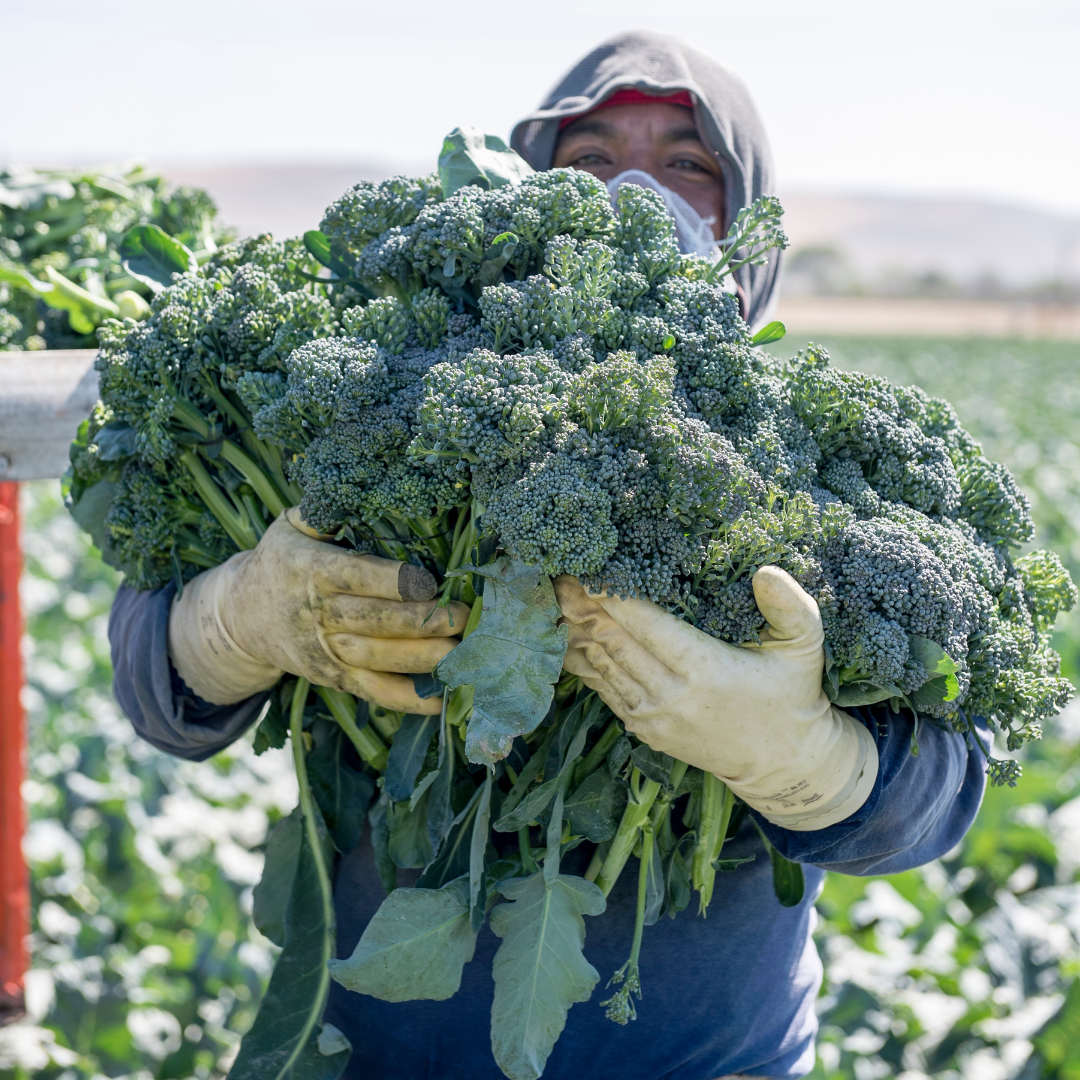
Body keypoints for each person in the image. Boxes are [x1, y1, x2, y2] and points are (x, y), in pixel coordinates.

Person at [108, 29, 988, 1080]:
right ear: (522, 200)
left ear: (748, 232)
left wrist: (804, 759)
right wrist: (237, 619)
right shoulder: (398, 401)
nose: (632, 192)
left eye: (688, 164)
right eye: (590, 160)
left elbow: (938, 794)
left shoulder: (823, 463)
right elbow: (156, 688)